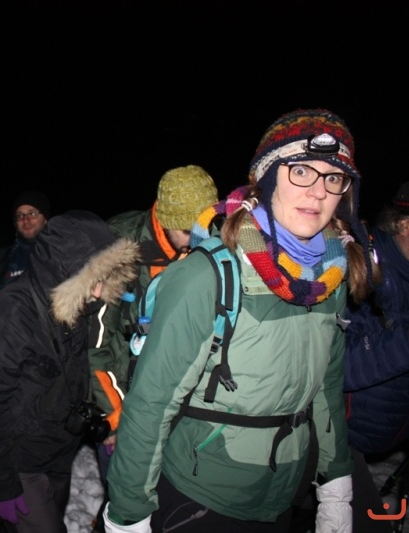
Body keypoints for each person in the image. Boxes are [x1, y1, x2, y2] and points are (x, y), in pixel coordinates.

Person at [105, 109, 372, 532]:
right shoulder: (205, 276)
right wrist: (128, 513)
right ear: (267, 178)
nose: (318, 191)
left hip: (284, 492)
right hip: (202, 495)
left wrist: (335, 484)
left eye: (334, 177)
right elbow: (151, 404)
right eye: (301, 171)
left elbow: (326, 388)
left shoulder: (328, 279)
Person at [0, 210, 140, 532]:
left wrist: (105, 420)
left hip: (58, 451)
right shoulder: (9, 313)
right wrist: (0, 482)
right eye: (94, 281)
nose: (99, 293)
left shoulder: (77, 305)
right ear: (66, 272)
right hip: (20, 461)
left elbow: (79, 373)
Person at [88, 165, 218, 531]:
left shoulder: (209, 244)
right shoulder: (120, 247)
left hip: (179, 396)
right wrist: (116, 418)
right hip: (124, 390)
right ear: (166, 219)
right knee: (126, 491)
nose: (199, 240)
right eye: (188, 230)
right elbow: (95, 343)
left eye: (205, 227)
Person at [343, 180, 409, 531]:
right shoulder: (360, 266)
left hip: (391, 441)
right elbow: (336, 366)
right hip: (341, 444)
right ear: (404, 225)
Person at [0, 190, 50, 285]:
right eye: (20, 215)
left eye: (32, 214)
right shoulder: (0, 259)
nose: (26, 220)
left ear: (45, 219)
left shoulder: (61, 254)